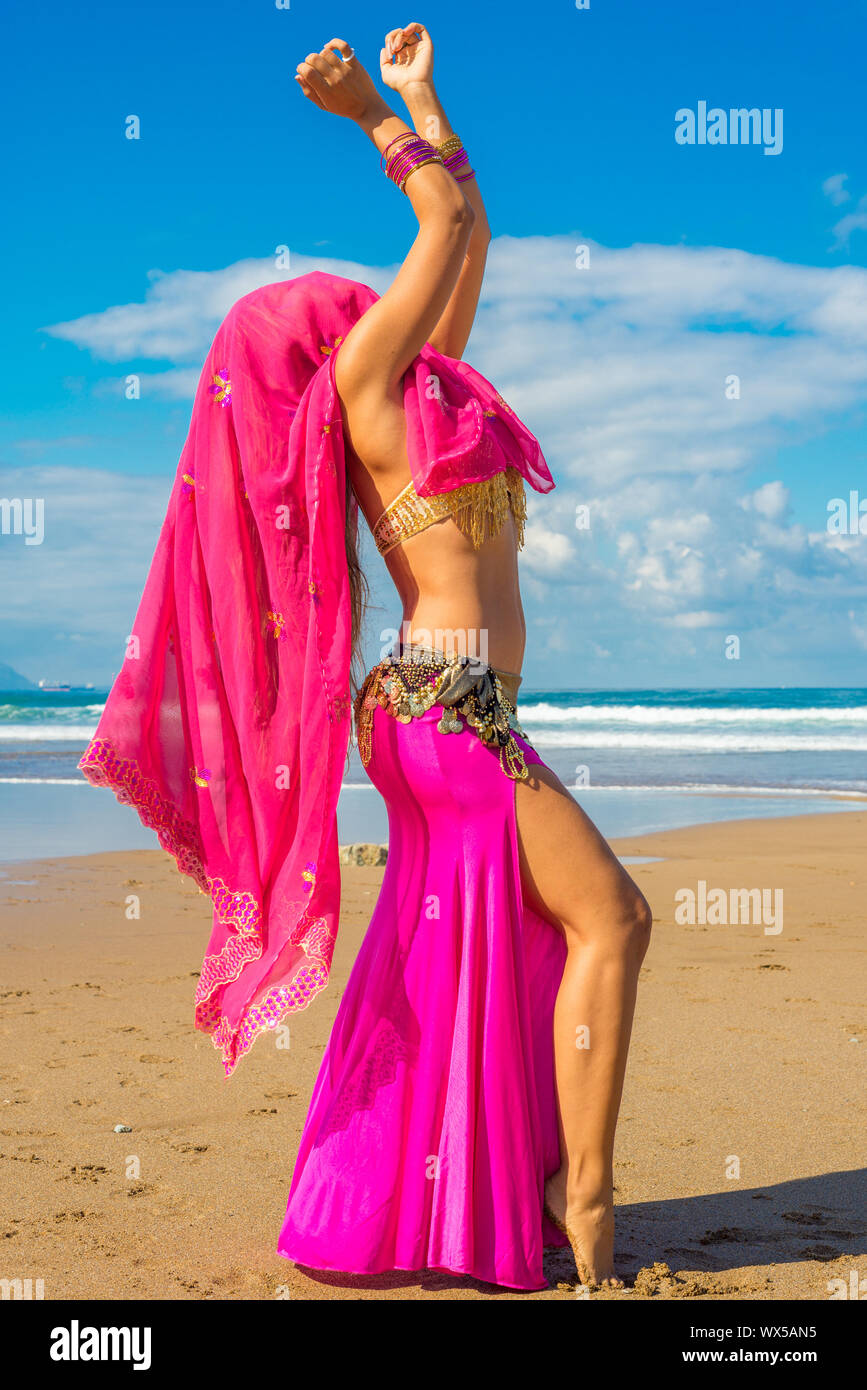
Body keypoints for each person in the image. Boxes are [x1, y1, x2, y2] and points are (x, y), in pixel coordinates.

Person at [80, 23, 652, 1293]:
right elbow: (439, 225)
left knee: (494, 941)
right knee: (612, 916)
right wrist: (369, 123)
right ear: (313, 356)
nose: (355, 297)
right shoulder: (370, 386)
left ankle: (446, 1197)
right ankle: (587, 1198)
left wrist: (421, 93)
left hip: (438, 710)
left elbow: (471, 235)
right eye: (328, 306)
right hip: (450, 709)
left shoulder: (436, 384)